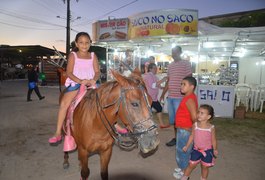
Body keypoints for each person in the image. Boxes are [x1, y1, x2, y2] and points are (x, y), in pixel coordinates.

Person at [48, 32, 100, 144]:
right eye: (81, 42)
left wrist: (93, 80)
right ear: (76, 43)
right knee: (64, 104)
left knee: (106, 99)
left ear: (90, 43)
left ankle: (115, 125)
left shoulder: (93, 55)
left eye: (87, 42)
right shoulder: (73, 55)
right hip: (76, 83)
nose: (84, 45)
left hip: (91, 83)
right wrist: (81, 81)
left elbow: (97, 72)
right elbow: (69, 72)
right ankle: (57, 132)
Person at [160, 46, 192, 146]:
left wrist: (188, 95)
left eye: (175, 52)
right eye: (172, 52)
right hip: (171, 97)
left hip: (180, 97)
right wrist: (163, 94)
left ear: (180, 52)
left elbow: (189, 80)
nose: (173, 54)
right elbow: (168, 81)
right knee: (173, 121)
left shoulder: (186, 64)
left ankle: (183, 139)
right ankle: (176, 138)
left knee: (181, 120)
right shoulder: (170, 65)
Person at [181, 104, 218, 180]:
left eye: (202, 113)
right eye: (198, 112)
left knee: (205, 167)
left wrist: (215, 149)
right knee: (191, 164)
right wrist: (187, 146)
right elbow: (192, 136)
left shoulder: (211, 127)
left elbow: (213, 139)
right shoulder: (195, 125)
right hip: (196, 150)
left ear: (208, 117)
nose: (199, 115)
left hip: (207, 151)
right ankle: (185, 177)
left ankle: (203, 178)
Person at [173, 76, 198, 179]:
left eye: (184, 84)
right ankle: (182, 167)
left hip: (185, 131)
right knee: (182, 150)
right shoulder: (189, 97)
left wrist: (192, 130)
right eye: (181, 84)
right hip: (183, 129)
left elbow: (194, 117)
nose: (181, 86)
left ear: (192, 87)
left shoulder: (189, 99)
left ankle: (184, 172)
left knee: (183, 151)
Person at [143, 63, 169, 128]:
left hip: (152, 97)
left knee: (157, 109)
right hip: (149, 97)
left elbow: (157, 85)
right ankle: (147, 125)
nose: (156, 69)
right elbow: (153, 85)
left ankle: (160, 124)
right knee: (152, 111)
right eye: (155, 68)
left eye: (156, 68)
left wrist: (162, 87)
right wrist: (163, 80)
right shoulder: (148, 76)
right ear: (150, 69)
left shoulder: (154, 76)